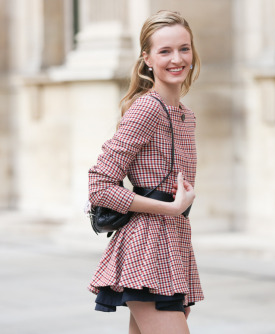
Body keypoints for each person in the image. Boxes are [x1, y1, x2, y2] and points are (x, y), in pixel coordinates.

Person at [87, 10, 203, 334]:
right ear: (147, 59)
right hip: (145, 246)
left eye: (184, 48)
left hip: (174, 243)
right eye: (165, 51)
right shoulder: (147, 108)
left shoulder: (185, 116)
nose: (176, 58)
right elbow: (99, 185)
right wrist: (169, 207)